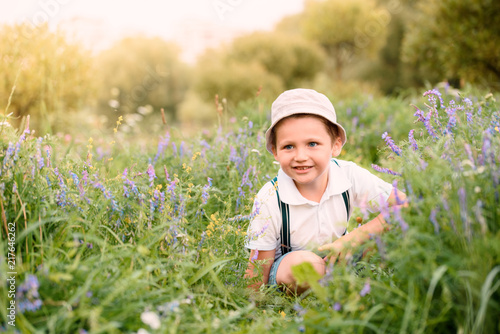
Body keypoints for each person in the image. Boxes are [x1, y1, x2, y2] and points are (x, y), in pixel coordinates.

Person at [244, 88, 407, 294]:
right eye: (288, 147)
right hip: (289, 268)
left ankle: (364, 288)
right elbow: (259, 267)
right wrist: (251, 309)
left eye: (313, 144)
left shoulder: (348, 174)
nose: (301, 156)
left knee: (392, 238)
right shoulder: (269, 197)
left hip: (341, 257)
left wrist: (354, 238)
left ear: (335, 145)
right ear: (275, 151)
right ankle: (333, 289)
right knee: (306, 266)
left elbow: (404, 204)